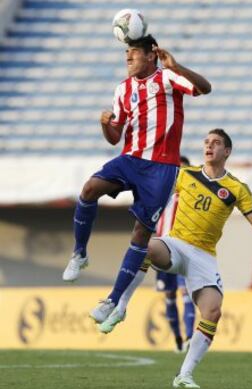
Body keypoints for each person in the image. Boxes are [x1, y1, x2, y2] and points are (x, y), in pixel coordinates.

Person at [98, 128, 252, 388]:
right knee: (143, 247)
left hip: (204, 257)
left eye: (216, 143)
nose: (209, 146)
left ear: (227, 151)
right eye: (206, 142)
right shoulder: (185, 175)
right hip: (175, 244)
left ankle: (184, 375)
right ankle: (121, 306)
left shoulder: (236, 188)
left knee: (212, 311)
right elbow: (153, 186)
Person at [62, 34, 211, 326]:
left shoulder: (168, 78)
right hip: (130, 159)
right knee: (90, 189)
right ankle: (79, 253)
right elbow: (115, 136)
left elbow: (205, 88)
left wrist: (177, 65)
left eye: (133, 53)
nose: (128, 58)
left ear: (151, 55)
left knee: (140, 236)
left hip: (161, 169)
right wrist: (106, 125)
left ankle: (113, 301)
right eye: (126, 53)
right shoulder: (123, 89)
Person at [155, 156, 195, 352]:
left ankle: (189, 338)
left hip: (183, 250)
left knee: (186, 293)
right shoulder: (161, 196)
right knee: (169, 295)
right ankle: (178, 339)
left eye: (184, 171)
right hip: (162, 251)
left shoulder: (191, 198)